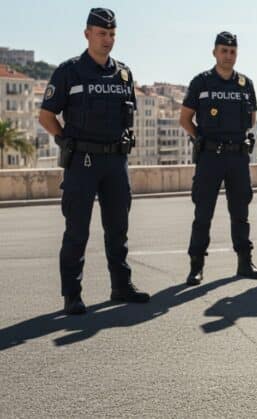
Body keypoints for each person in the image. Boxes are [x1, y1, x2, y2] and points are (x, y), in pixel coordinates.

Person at [38, 7, 150, 315]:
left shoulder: (124, 74)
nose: (107, 40)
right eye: (102, 33)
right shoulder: (69, 71)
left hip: (116, 162)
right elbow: (46, 116)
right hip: (82, 162)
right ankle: (72, 295)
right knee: (77, 231)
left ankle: (121, 286)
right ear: (87, 33)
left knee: (119, 228)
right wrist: (67, 142)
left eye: (112, 34)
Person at [180, 31, 257, 285]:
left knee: (240, 212)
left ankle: (245, 262)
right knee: (203, 213)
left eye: (232, 51)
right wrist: (202, 139)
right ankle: (196, 267)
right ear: (214, 52)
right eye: (224, 51)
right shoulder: (201, 83)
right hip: (210, 157)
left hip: (237, 157)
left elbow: (252, 119)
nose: (228, 56)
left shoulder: (245, 84)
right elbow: (185, 119)